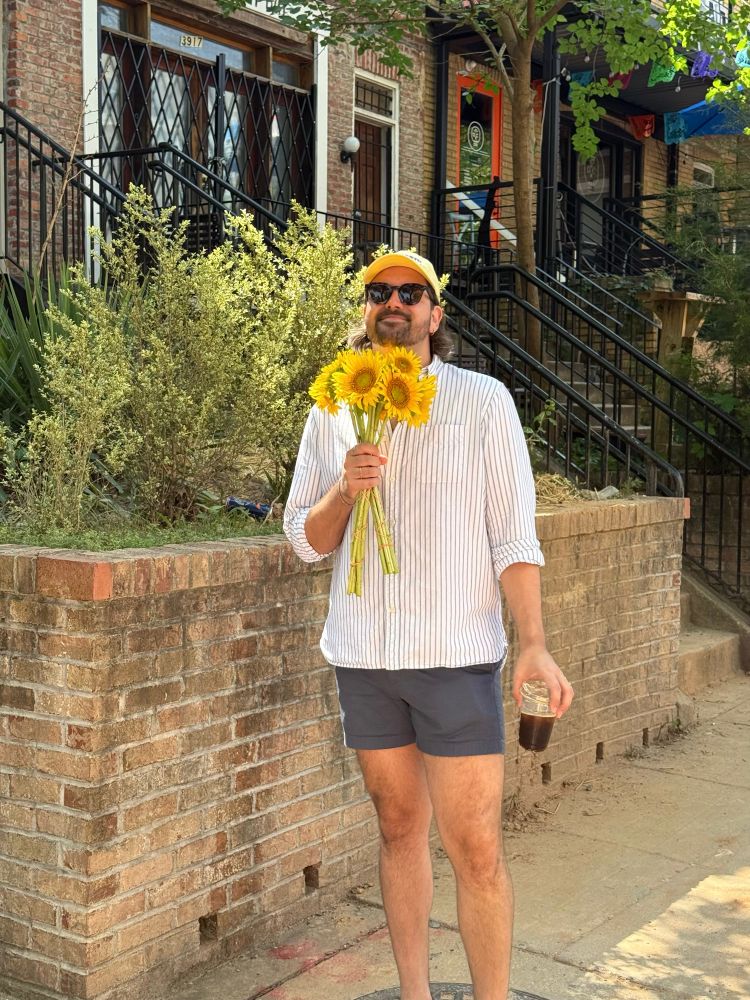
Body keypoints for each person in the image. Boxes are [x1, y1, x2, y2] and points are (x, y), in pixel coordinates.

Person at [283, 249, 574, 1000]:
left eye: (412, 292)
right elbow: (305, 540)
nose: (395, 302)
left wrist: (534, 645)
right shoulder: (333, 406)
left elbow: (513, 538)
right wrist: (345, 491)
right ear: (366, 309)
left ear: (435, 314)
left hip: (454, 656)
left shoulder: (482, 402)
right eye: (379, 290)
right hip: (365, 657)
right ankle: (415, 993)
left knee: (475, 848)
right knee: (397, 829)